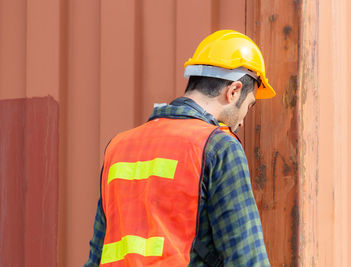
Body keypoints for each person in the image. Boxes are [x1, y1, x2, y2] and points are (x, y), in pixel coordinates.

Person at [84, 30, 276, 267]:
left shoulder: (118, 147)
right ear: (234, 91)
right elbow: (247, 259)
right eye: (250, 105)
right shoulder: (218, 147)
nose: (244, 119)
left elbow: (97, 256)